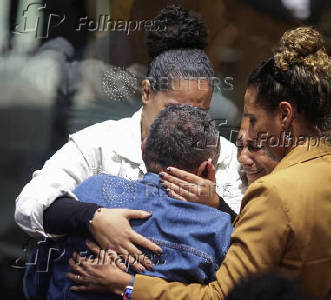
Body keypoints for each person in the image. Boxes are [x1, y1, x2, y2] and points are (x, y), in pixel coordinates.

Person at [66, 27, 331, 300]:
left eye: (252, 118)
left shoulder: (273, 194)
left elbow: (220, 296)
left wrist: (129, 284)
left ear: (285, 115)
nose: (244, 130)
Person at [15, 5, 244, 265]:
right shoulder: (100, 143)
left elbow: (251, 247)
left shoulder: (226, 157)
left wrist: (217, 206)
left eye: (199, 113)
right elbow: (30, 205)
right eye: (174, 109)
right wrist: (95, 219)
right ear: (146, 92)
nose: (188, 124)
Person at [23, 104, 233, 300]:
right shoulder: (218, 230)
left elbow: (39, 273)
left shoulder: (92, 189)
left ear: (143, 149)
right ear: (206, 169)